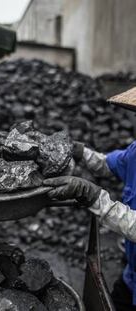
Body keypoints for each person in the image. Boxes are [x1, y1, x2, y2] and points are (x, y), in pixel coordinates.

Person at [43, 86, 136, 311]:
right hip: (131, 276)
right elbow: (107, 164)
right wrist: (79, 151)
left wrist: (92, 196)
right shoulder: (135, 152)